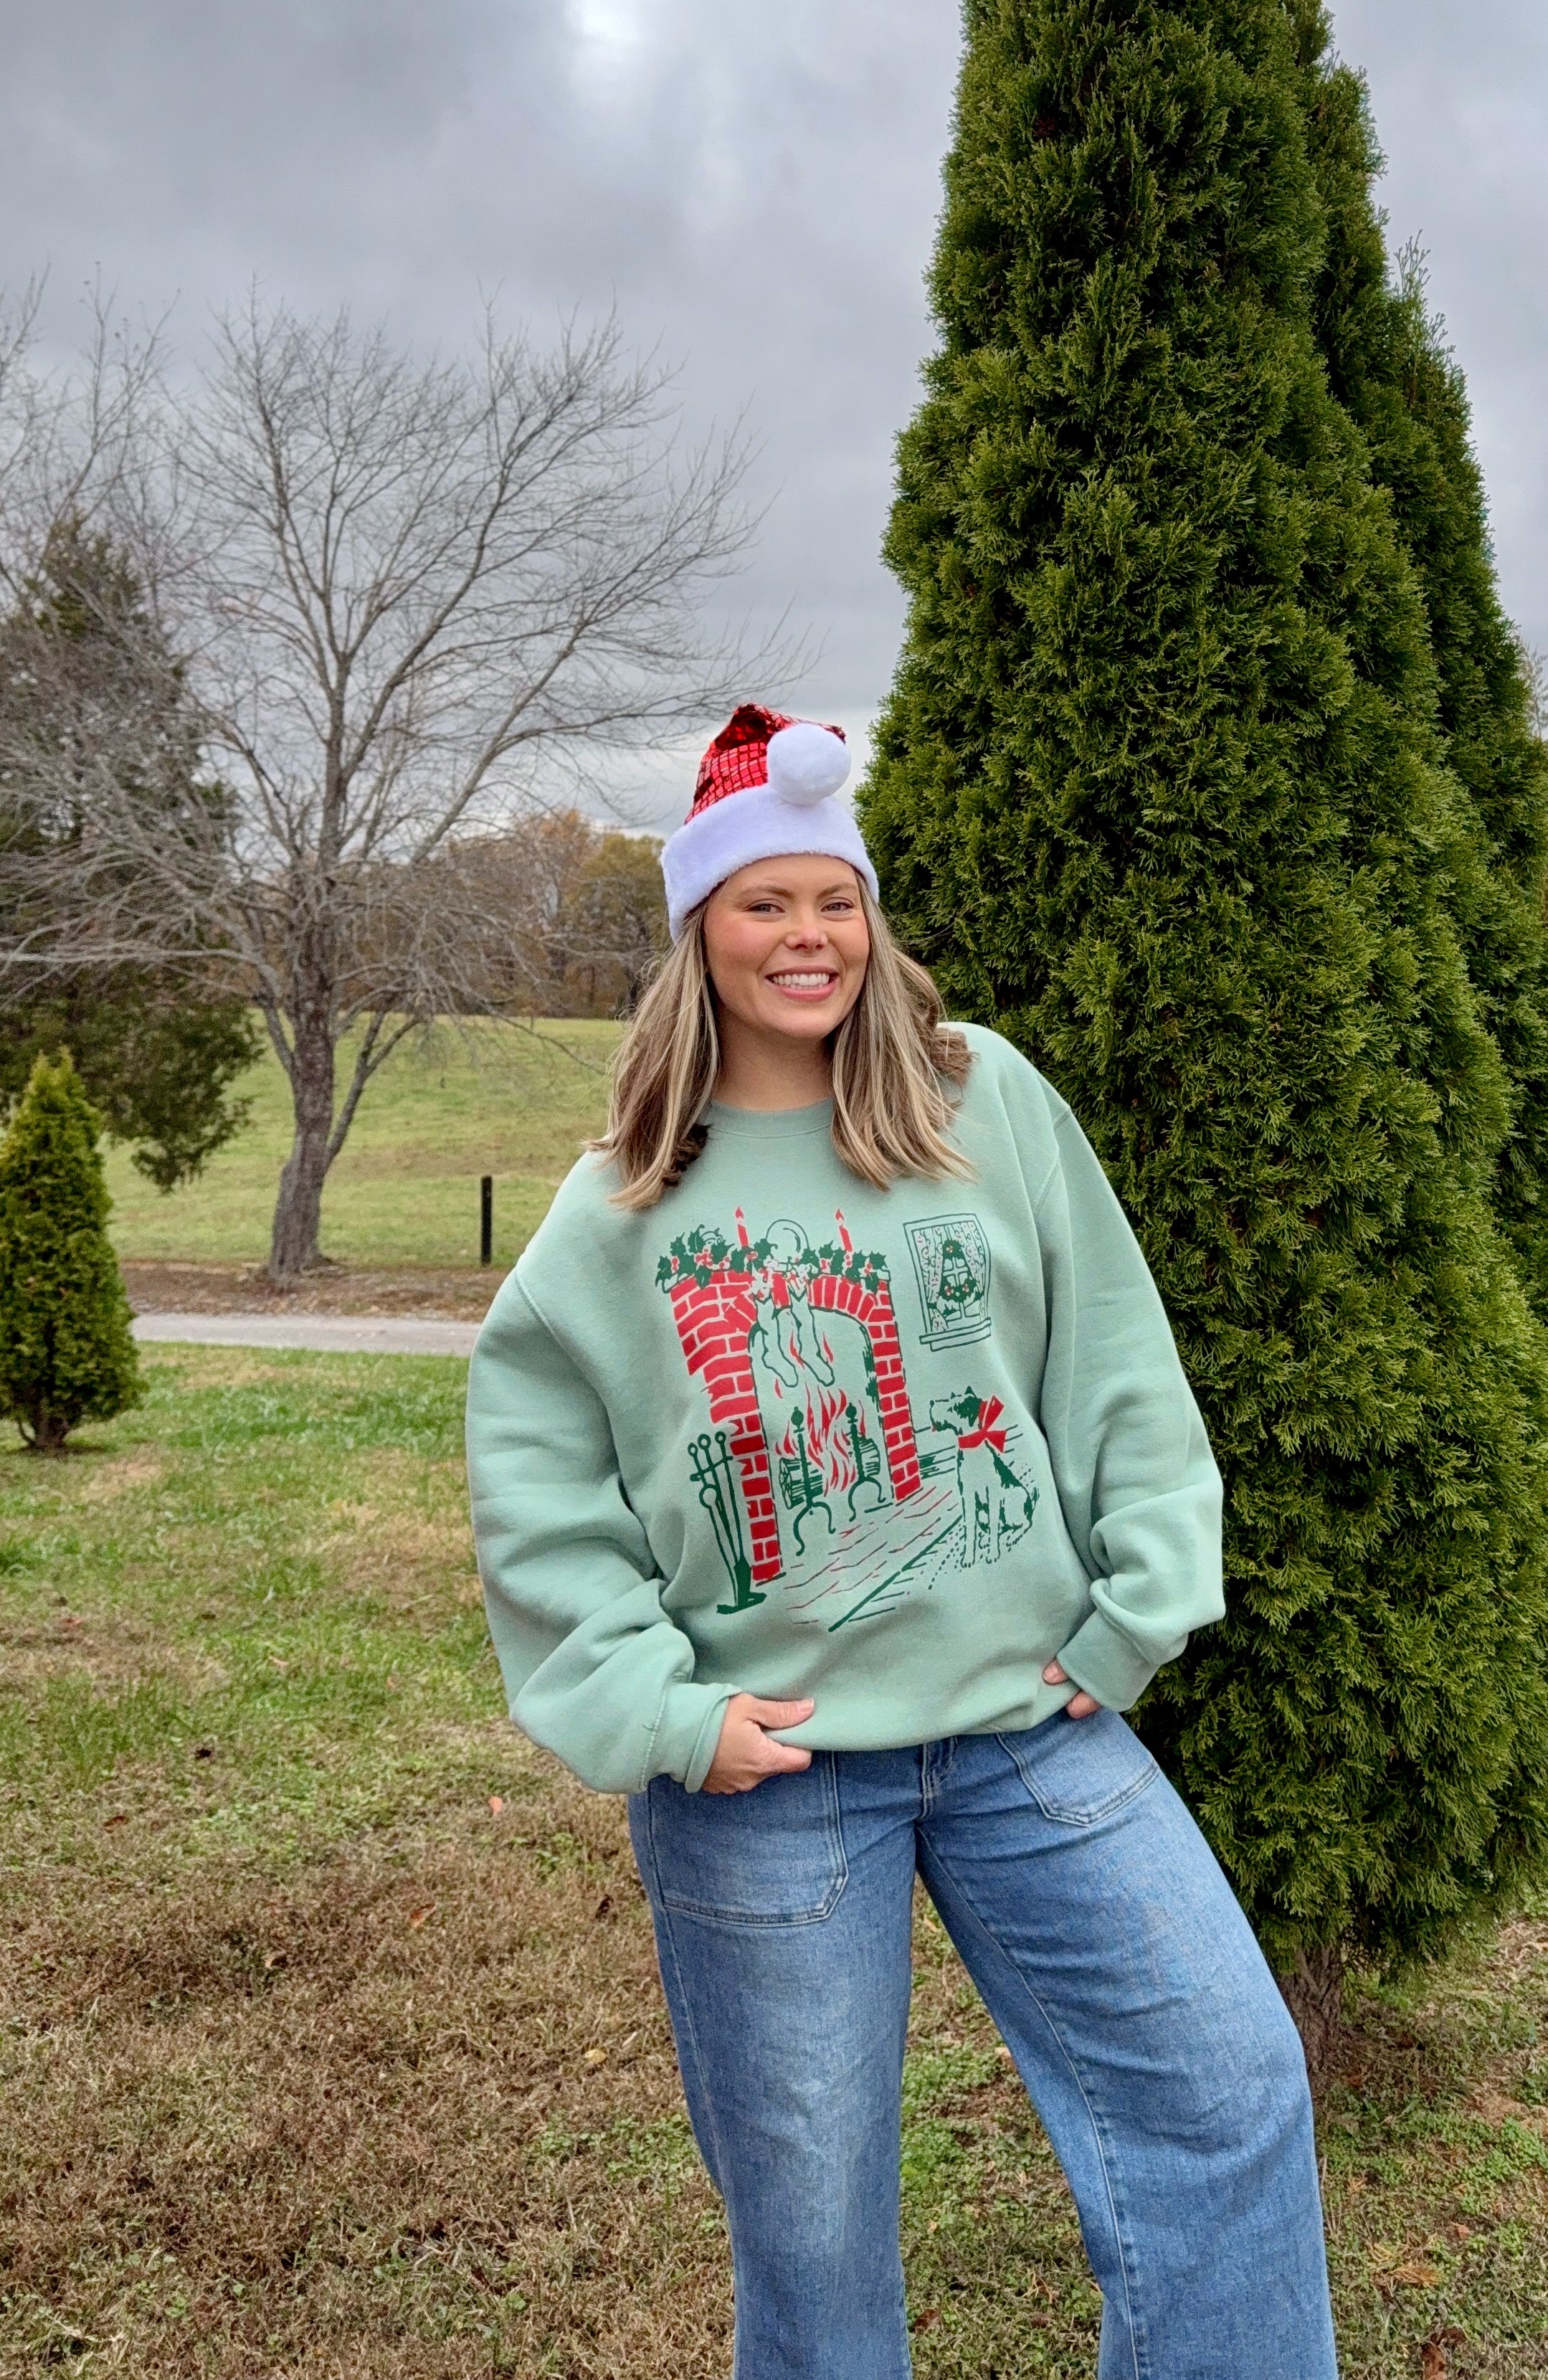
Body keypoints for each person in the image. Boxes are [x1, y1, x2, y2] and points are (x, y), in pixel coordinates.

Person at [465, 704, 1337, 2380]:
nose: (809, 939)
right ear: (697, 937)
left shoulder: (976, 1099)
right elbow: (539, 1478)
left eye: (835, 902)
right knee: (813, 2236)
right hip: (773, 1779)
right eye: (762, 905)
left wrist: (1134, 1608)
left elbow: (1114, 1361)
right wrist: (659, 1711)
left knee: (1227, 2090)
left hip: (1028, 1732)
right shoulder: (626, 1200)